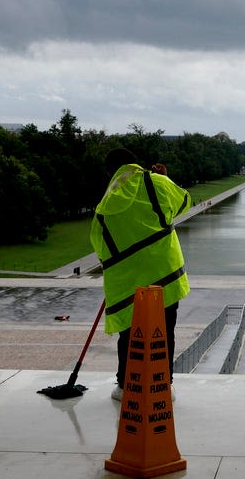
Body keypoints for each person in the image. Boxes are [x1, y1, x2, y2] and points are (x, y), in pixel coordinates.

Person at [89, 147, 191, 401]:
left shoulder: (105, 204)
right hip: (164, 272)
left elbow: (99, 245)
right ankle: (163, 384)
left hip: (127, 280)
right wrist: (166, 178)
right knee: (165, 330)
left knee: (129, 332)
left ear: (111, 172)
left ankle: (125, 385)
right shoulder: (156, 182)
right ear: (134, 164)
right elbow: (185, 203)